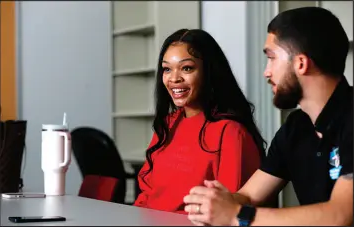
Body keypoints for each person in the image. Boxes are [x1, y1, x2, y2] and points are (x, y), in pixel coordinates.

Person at [183, 6, 353, 226]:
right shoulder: (296, 126)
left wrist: (236, 215)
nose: (267, 71)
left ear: (300, 63)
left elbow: (340, 216)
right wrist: (217, 204)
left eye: (271, 58)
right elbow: (249, 196)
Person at [133, 28, 267, 214]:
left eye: (187, 68)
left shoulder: (230, 132)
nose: (174, 79)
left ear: (209, 72)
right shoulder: (168, 124)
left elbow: (229, 210)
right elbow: (146, 194)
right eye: (167, 69)